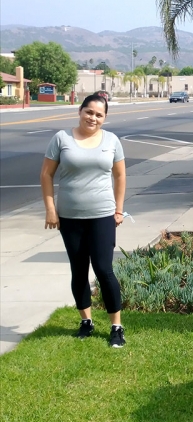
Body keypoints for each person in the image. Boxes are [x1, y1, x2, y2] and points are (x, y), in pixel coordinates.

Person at [40, 93, 127, 348]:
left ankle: (116, 326)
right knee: (79, 270)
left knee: (104, 269)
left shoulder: (111, 140)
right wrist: (50, 209)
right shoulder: (61, 139)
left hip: (102, 215)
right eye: (89, 112)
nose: (93, 118)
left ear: (105, 118)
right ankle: (86, 321)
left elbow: (120, 176)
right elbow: (46, 175)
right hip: (70, 216)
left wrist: (119, 210)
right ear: (80, 111)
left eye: (99, 115)